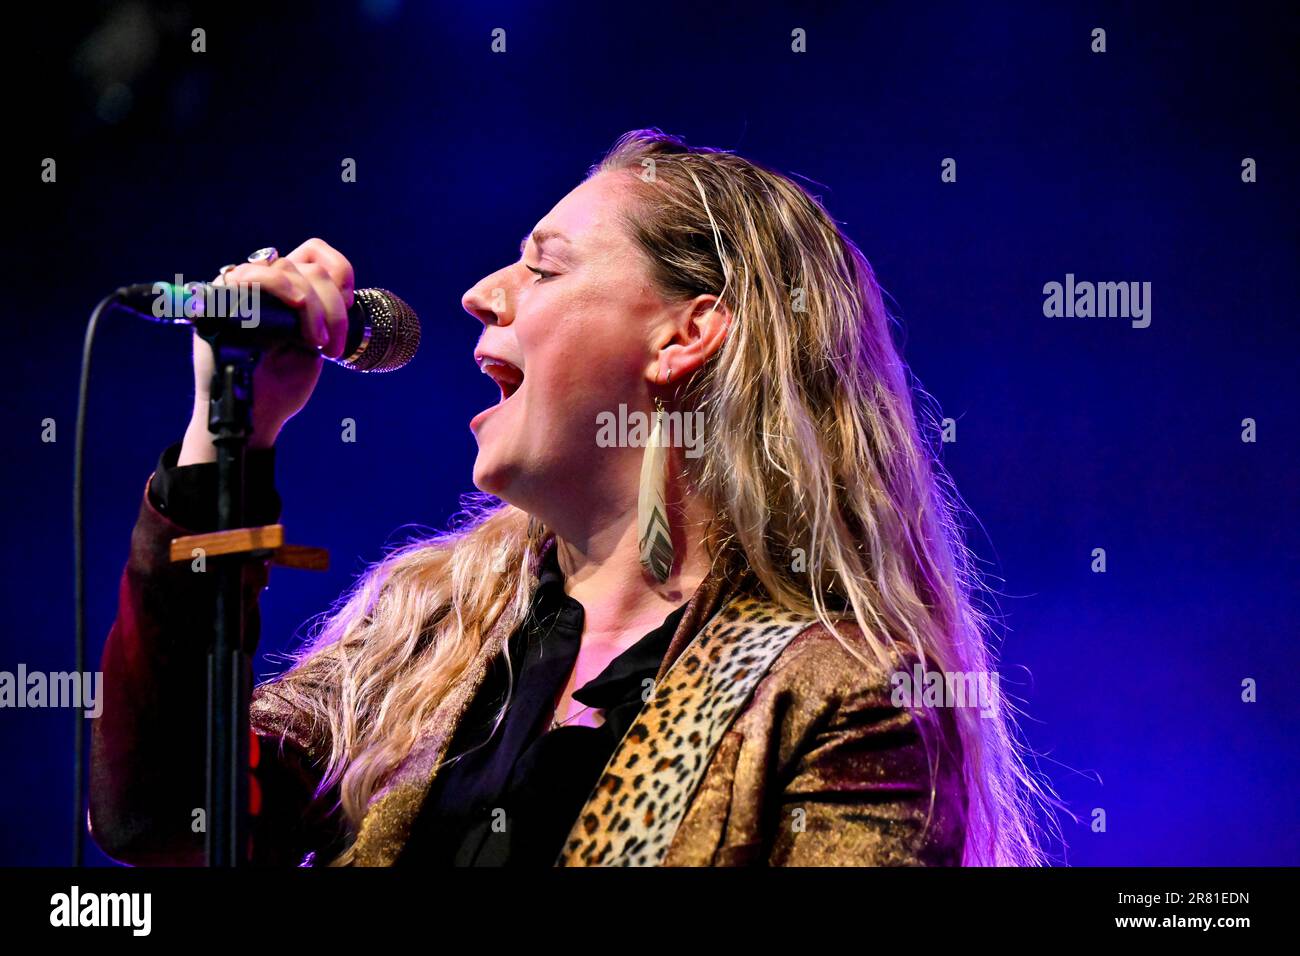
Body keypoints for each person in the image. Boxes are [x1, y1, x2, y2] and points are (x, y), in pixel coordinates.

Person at [89, 128, 1051, 867]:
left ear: (685, 338)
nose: (479, 293)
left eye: (544, 266)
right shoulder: (424, 634)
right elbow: (162, 817)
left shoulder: (845, 700)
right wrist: (229, 434)